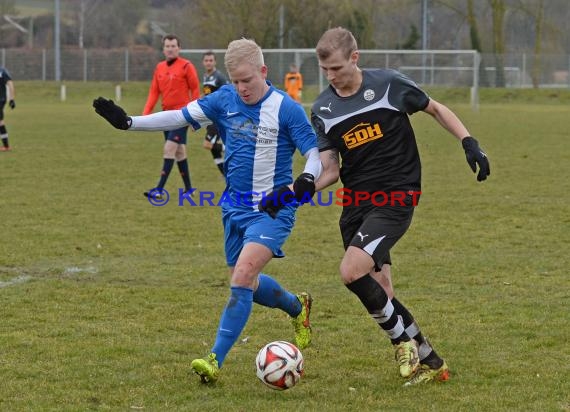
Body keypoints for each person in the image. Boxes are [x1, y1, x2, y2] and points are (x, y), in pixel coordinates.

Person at [93, 38, 321, 384]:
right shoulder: (224, 99)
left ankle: (214, 359)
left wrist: (306, 177)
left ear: (263, 71)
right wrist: (129, 123)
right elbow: (179, 116)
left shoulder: (286, 108)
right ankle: (296, 307)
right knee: (246, 282)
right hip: (233, 206)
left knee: (242, 277)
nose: (242, 88)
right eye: (236, 81)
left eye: (248, 80)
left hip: (272, 208)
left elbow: (316, 153)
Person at [310, 27, 490, 385]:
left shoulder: (390, 84)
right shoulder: (323, 108)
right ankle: (432, 361)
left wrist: (469, 142)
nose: (331, 77)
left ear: (355, 58)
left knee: (351, 271)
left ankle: (401, 343)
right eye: (325, 70)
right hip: (356, 203)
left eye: (337, 68)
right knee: (383, 293)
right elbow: (331, 169)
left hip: (396, 195)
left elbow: (435, 108)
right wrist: (296, 190)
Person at [142, 34, 200, 199]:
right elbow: (154, 92)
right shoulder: (159, 67)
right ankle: (189, 189)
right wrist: (145, 115)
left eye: (173, 46)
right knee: (179, 152)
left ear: (179, 48)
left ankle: (159, 190)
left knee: (169, 148)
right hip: (165, 116)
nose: (170, 49)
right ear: (163, 49)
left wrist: (194, 116)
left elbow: (195, 91)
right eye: (167, 46)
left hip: (181, 116)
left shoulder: (187, 66)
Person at [201, 50, 229, 175]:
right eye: (206, 60)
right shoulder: (206, 76)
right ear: (203, 62)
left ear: (215, 62)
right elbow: (208, 95)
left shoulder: (219, 77)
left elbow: (228, 94)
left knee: (207, 145)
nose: (208, 63)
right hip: (210, 117)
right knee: (214, 151)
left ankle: (232, 149)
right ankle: (226, 177)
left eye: (211, 60)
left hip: (218, 117)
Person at [0, 66, 16, 152]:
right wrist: (11, 99)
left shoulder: (1, 71)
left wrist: (12, 99)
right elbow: (10, 83)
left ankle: (6, 146)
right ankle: (6, 146)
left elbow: (10, 83)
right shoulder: (2, 71)